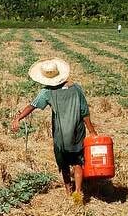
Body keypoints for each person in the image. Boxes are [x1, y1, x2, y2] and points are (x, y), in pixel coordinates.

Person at [12, 58, 98, 202]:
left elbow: (32, 105)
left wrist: (18, 118)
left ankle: (68, 192)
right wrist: (92, 131)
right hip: (77, 132)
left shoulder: (47, 92)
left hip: (60, 135)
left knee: (63, 164)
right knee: (78, 163)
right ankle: (78, 192)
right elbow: (85, 112)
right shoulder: (76, 88)